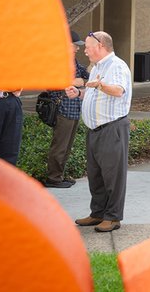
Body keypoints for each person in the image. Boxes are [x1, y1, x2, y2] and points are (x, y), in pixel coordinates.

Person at [69, 31, 133, 233]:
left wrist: (100, 84)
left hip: (112, 129)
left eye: (88, 46)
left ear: (101, 46)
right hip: (95, 130)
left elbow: (118, 91)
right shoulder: (98, 67)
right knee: (96, 175)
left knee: (113, 176)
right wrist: (79, 93)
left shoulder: (117, 66)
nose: (85, 51)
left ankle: (113, 218)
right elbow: (95, 93)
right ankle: (97, 213)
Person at [43, 30, 91, 188]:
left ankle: (59, 175)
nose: (78, 48)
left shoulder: (73, 61)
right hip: (63, 109)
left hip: (74, 108)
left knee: (67, 145)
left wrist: (78, 80)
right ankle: (53, 178)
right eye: (75, 45)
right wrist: (75, 81)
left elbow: (88, 77)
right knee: (60, 145)